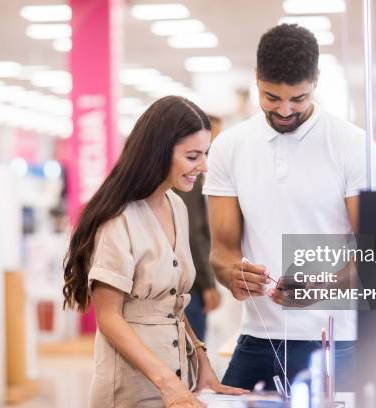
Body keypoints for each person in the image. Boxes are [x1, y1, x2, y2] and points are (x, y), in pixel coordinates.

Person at [203, 24, 376, 391]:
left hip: (336, 343)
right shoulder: (228, 147)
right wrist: (233, 275)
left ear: (316, 81)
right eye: (271, 97)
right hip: (258, 338)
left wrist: (320, 286)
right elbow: (222, 252)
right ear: (255, 78)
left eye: (298, 99)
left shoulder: (355, 146)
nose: (285, 110)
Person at [62, 96, 247, 408]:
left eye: (205, 155)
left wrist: (201, 361)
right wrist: (166, 383)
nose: (203, 167)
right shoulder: (118, 219)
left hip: (176, 378)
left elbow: (173, 303)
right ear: (160, 151)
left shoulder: (176, 206)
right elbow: (109, 318)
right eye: (192, 156)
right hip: (130, 388)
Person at [177, 115, 223, 341]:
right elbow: (193, 235)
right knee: (192, 355)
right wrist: (207, 284)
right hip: (190, 286)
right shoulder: (186, 183)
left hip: (186, 281)